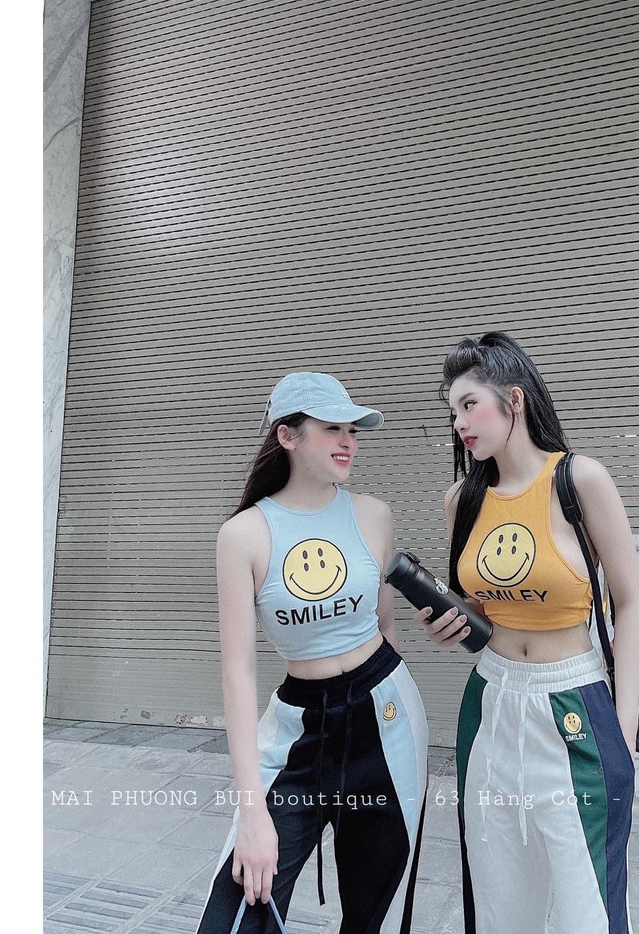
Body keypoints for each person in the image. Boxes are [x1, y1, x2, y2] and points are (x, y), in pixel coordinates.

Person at [416, 333, 639, 934]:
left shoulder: (579, 479)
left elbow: (630, 602)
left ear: (513, 400)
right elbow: (480, 604)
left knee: (588, 909)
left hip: (574, 703)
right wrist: (451, 622)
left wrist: (621, 738)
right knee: (498, 903)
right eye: (453, 410)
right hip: (490, 704)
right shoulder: (462, 499)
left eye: (469, 404)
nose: (459, 422)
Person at [196, 372, 429, 934]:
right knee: (237, 913)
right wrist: (252, 811)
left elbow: (386, 626)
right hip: (299, 728)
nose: (348, 441)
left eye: (353, 430)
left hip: (387, 721)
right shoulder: (243, 535)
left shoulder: (374, 515)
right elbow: (237, 672)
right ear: (287, 436)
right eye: (331, 429)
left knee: (376, 913)